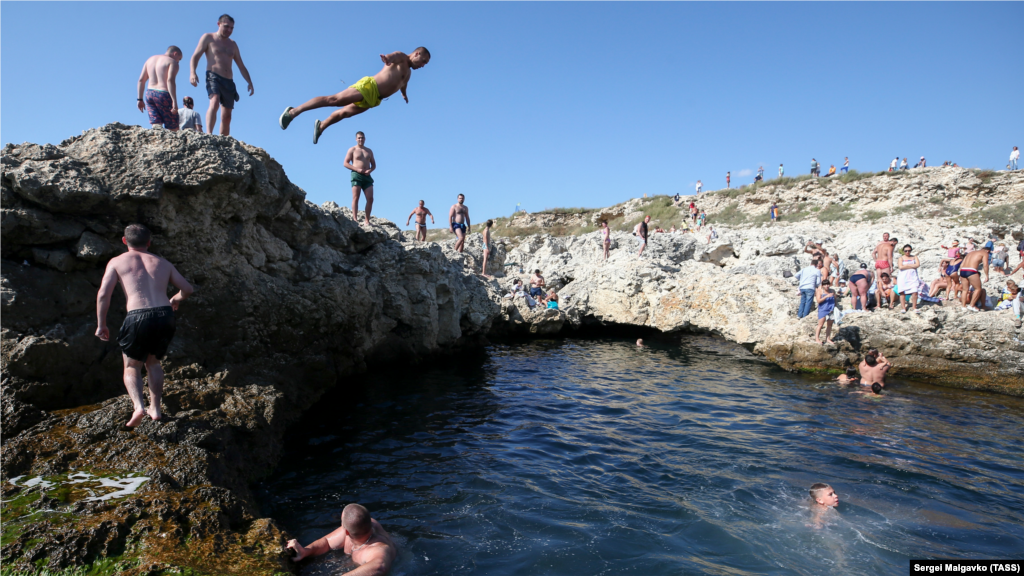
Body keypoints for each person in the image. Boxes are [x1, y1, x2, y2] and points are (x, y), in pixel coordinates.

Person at [95, 224, 193, 428]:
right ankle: (155, 409)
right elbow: (187, 289)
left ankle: (139, 406)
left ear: (124, 241)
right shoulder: (162, 263)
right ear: (149, 242)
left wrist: (101, 324)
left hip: (138, 316)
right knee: (154, 363)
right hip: (165, 315)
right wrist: (175, 298)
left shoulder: (116, 262)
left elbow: (104, 294)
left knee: (132, 366)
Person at [279, 47, 431, 144]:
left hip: (374, 99)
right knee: (335, 100)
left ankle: (321, 126)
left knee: (345, 113)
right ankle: (293, 112)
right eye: (423, 61)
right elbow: (393, 56)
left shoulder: (409, 73)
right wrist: (387, 58)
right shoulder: (402, 57)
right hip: (369, 87)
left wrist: (404, 95)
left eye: (425, 64)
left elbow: (403, 85)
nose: (423, 65)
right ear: (416, 53)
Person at [189, 14, 254, 136]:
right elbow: (195, 56)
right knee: (214, 101)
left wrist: (249, 82)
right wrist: (193, 72)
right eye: (226, 27)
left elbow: (241, 64)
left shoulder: (233, 44)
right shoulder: (208, 38)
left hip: (228, 81)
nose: (229, 30)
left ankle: (223, 140)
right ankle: (209, 134)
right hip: (213, 76)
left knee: (227, 115)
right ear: (218, 24)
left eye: (232, 28)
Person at [286, 503, 396, 575]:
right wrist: (306, 551)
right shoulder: (359, 528)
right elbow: (327, 542)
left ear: (346, 531)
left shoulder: (377, 548)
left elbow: (380, 566)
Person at [137, 46, 183, 131]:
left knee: (156, 125)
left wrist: (139, 99)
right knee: (173, 127)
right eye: (179, 59)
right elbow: (170, 81)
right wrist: (174, 101)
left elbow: (141, 80)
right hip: (163, 94)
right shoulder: (172, 62)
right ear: (175, 53)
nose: (178, 62)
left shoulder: (150, 59)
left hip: (149, 94)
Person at [344, 132, 376, 225]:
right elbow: (345, 163)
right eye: (359, 138)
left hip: (367, 176)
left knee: (370, 199)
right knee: (356, 197)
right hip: (356, 175)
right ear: (356, 139)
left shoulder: (369, 151)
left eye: (362, 138)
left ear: (364, 139)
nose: (360, 140)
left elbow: (374, 165)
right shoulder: (352, 149)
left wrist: (370, 170)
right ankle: (355, 218)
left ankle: (367, 220)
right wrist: (357, 169)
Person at [960, 242, 993, 311]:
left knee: (965, 289)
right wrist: (987, 275)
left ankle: (963, 306)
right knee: (978, 289)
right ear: (988, 251)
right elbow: (985, 265)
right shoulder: (984, 253)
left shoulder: (970, 253)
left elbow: (962, 264)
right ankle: (971, 305)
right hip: (971, 270)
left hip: (963, 270)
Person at [896, 244, 922, 313]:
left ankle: (914, 307)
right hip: (903, 277)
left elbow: (917, 265)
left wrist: (906, 265)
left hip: (912, 277)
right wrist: (912, 265)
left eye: (909, 251)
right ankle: (903, 308)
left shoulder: (914, 257)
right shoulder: (901, 258)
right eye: (906, 251)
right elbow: (901, 267)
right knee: (902, 293)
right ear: (903, 251)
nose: (907, 252)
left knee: (915, 291)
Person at [814, 279, 837, 345]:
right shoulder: (820, 291)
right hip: (823, 309)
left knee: (829, 325)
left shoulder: (832, 291)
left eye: (828, 284)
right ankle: (817, 339)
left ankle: (828, 339)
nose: (827, 286)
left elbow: (835, 299)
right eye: (825, 285)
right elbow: (818, 301)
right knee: (820, 325)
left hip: (831, 309)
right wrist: (826, 296)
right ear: (822, 285)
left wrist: (835, 305)